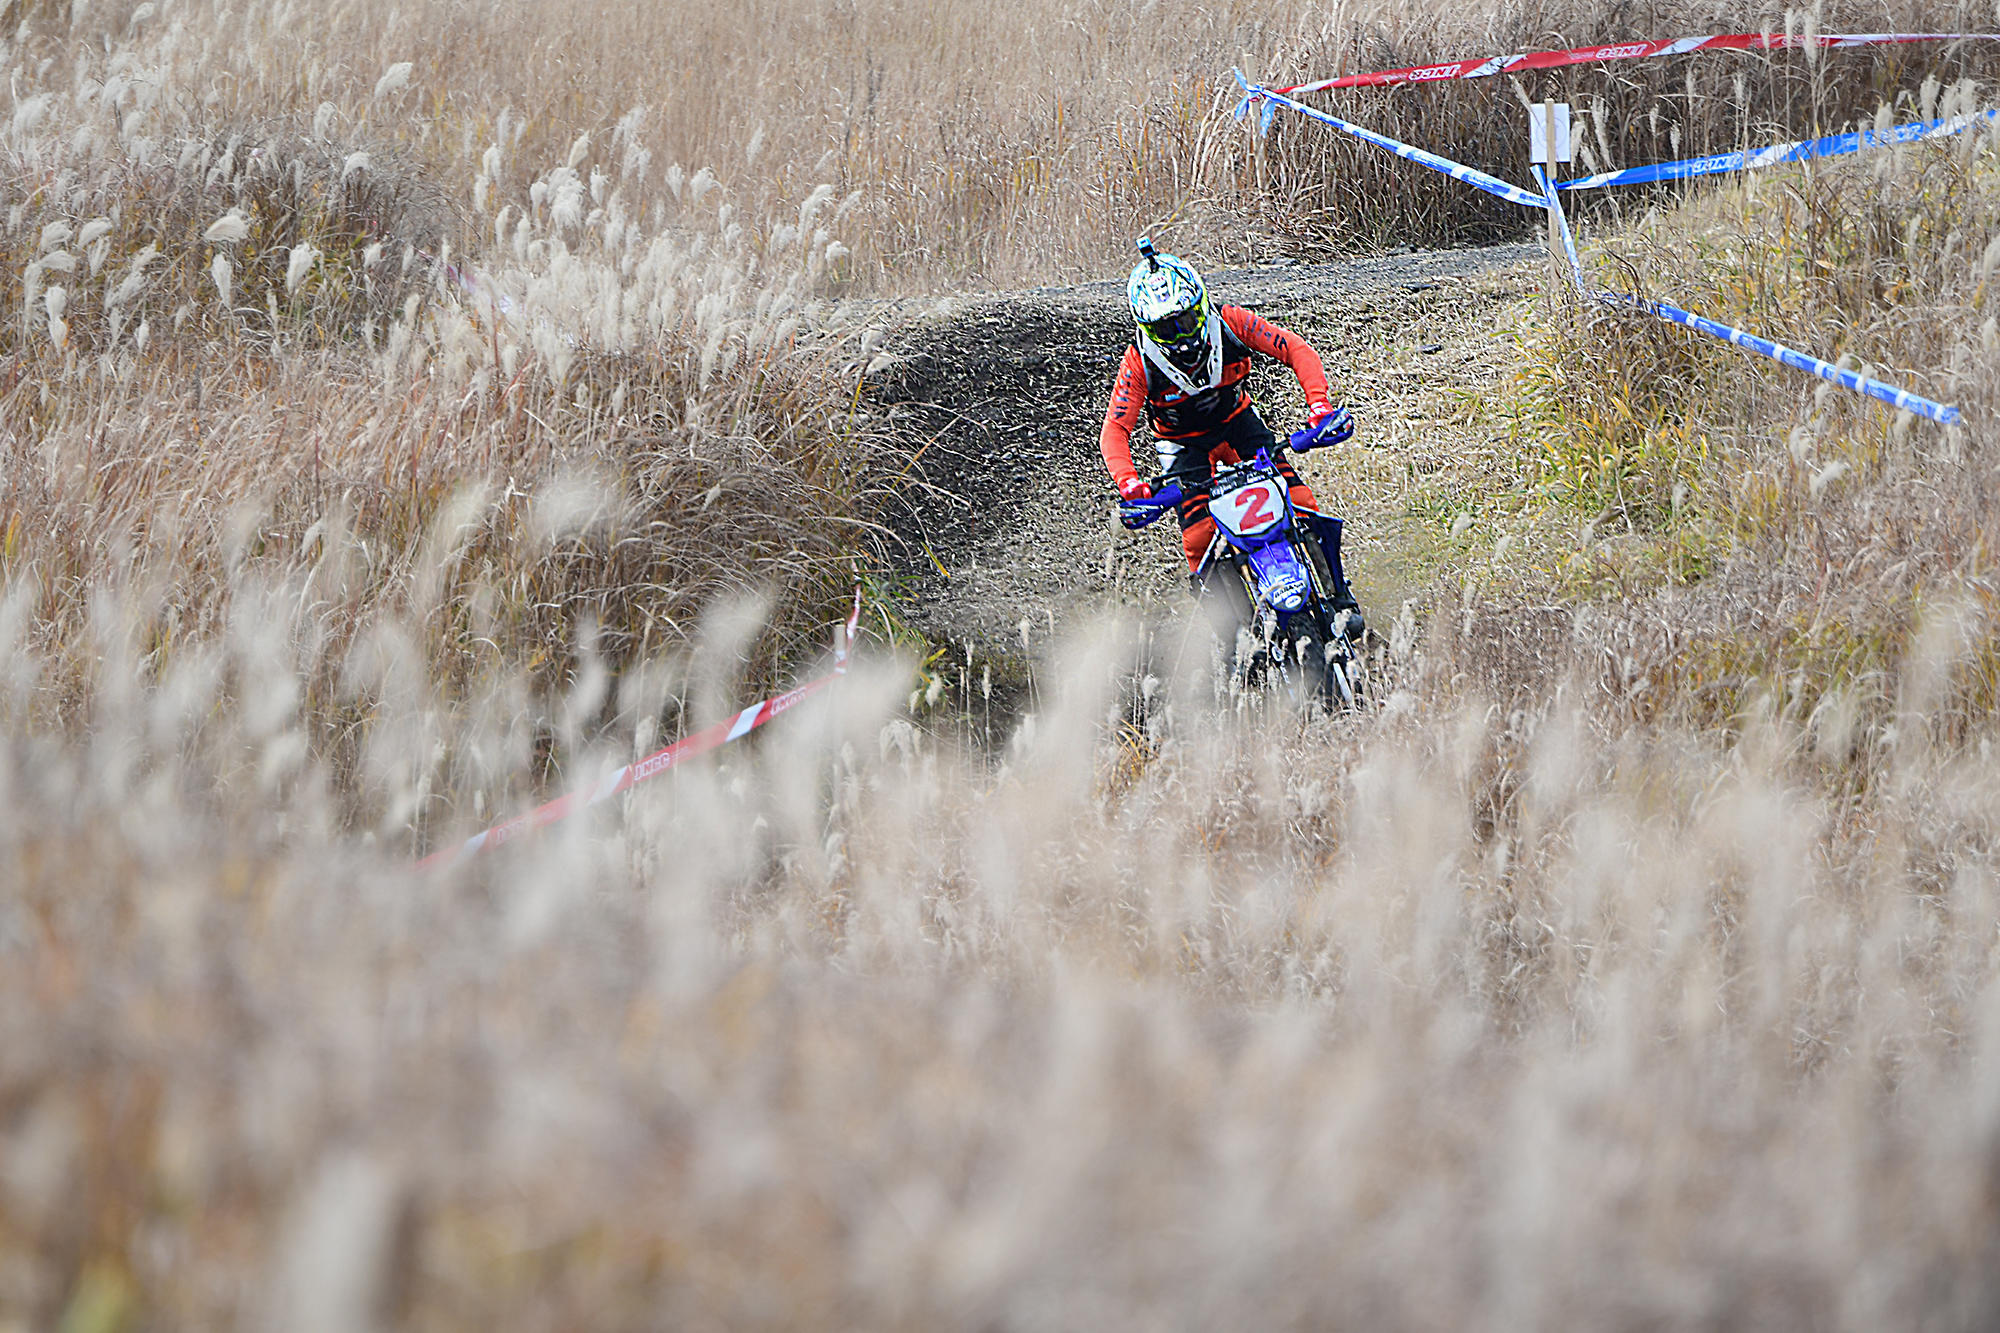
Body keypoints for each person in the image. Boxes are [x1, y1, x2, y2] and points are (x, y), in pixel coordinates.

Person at [1099, 237, 1364, 638]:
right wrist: (1131, 485)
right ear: (1145, 328)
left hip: (1239, 425)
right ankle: (1233, 637)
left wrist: (1319, 407)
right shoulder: (1139, 362)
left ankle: (1338, 596)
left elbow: (1295, 349)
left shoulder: (1232, 322)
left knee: (1301, 503)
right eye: (1165, 328)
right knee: (1199, 539)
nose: (1180, 335)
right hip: (1183, 446)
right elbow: (1115, 430)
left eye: (1185, 321)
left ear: (1201, 306)